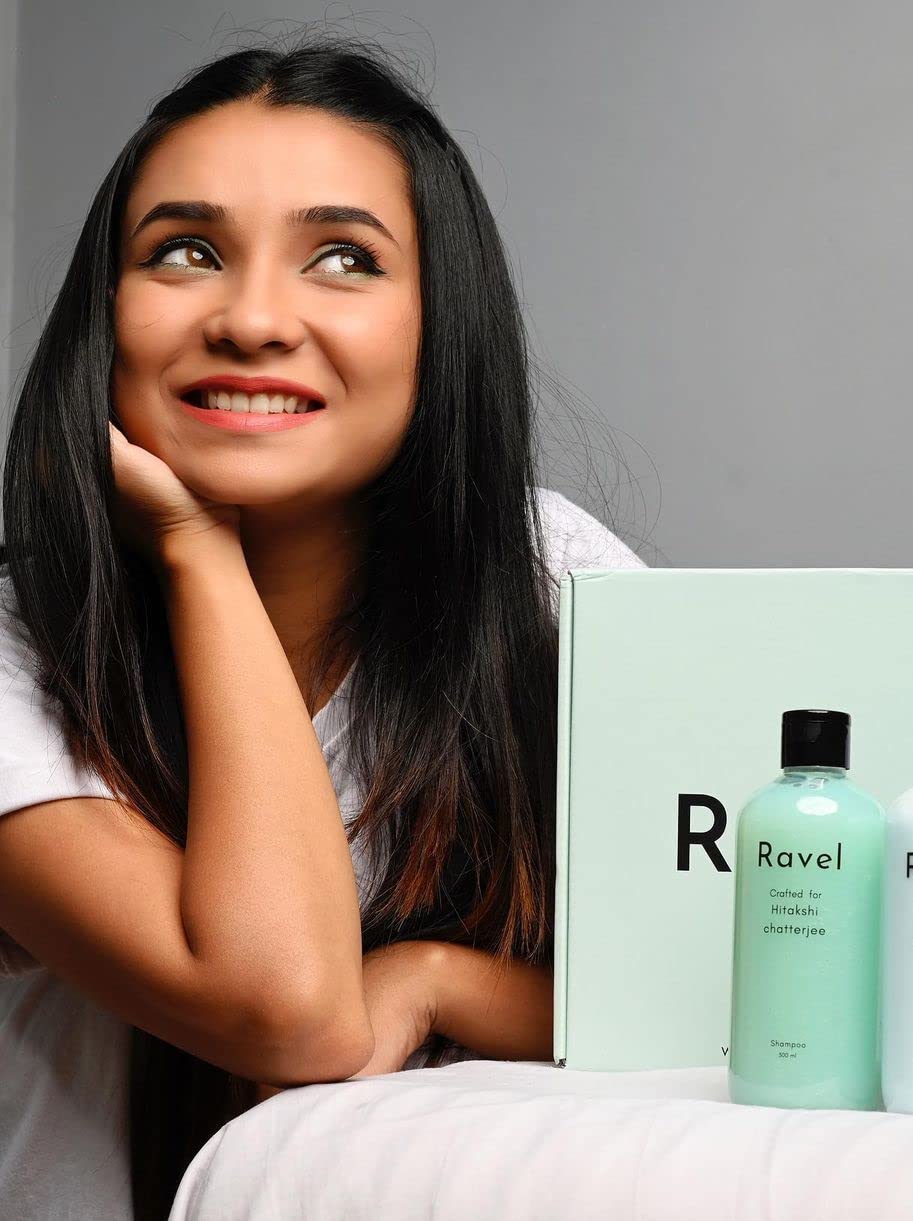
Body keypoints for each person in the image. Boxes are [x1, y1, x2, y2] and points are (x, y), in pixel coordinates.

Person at [0, 36, 647, 1221]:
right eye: (186, 251)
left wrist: (439, 981)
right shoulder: (14, 646)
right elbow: (286, 1006)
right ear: (106, 314)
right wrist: (198, 550)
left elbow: (755, 988)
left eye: (344, 258)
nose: (253, 319)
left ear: (436, 323)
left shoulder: (551, 579)